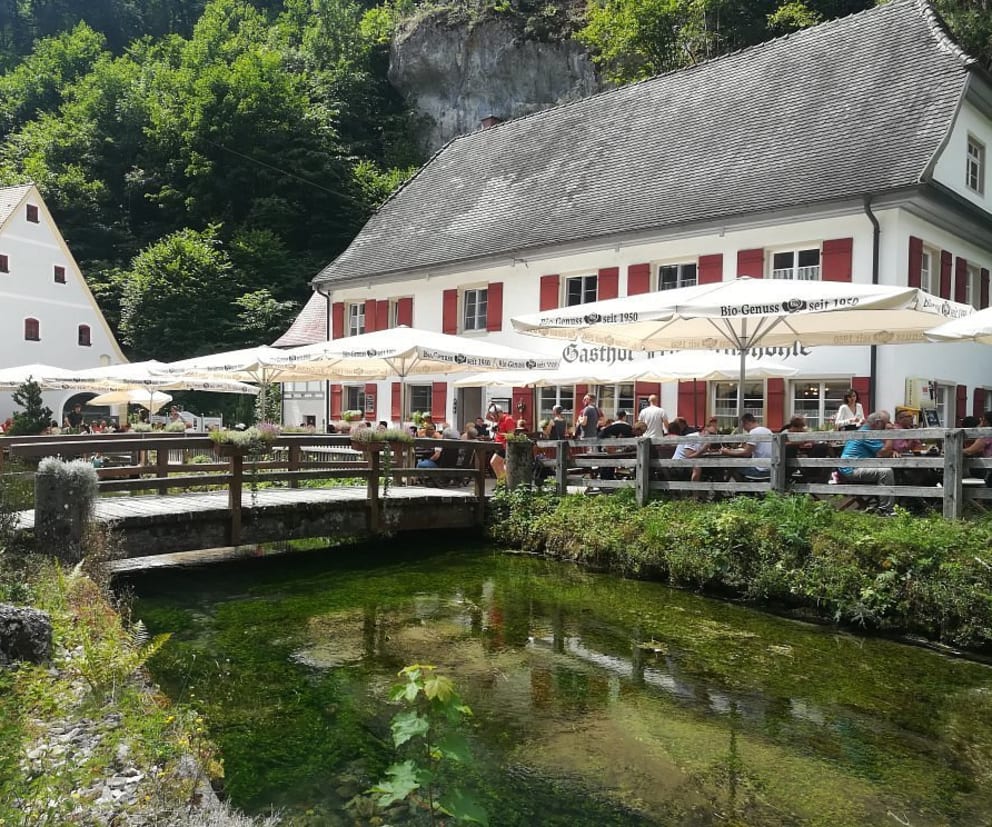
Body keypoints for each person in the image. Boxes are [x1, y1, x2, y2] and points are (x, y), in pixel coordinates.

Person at [836, 410, 896, 515]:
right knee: (886, 472)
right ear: (878, 423)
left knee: (888, 471)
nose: (888, 425)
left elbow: (884, 451)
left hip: (853, 468)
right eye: (886, 423)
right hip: (852, 470)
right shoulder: (867, 434)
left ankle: (885, 506)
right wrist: (890, 433)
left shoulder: (865, 431)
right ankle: (886, 510)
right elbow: (883, 453)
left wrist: (891, 450)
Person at [720, 412, 772, 480]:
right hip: (770, 468)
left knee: (733, 467)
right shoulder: (768, 431)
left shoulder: (753, 432)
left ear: (747, 423)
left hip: (760, 469)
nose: (744, 429)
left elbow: (746, 453)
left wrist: (727, 452)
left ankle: (744, 488)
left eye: (743, 426)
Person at [673, 417, 719, 484]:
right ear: (704, 431)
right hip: (679, 464)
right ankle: (695, 493)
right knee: (697, 468)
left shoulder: (704, 440)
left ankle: (716, 490)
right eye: (711, 433)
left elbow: (697, 453)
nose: (712, 436)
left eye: (714, 435)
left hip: (689, 463)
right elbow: (688, 456)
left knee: (715, 467)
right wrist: (703, 450)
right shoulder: (693, 438)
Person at [488, 405, 517, 480]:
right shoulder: (500, 420)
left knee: (494, 462)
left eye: (494, 415)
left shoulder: (508, 420)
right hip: (499, 446)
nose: (493, 417)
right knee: (500, 465)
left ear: (499, 413)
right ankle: (503, 482)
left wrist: (498, 433)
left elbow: (511, 435)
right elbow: (487, 417)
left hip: (504, 446)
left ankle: (503, 481)